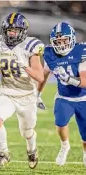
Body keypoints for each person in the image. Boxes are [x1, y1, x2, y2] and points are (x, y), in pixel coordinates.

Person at [0, 12, 44, 169]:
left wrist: (25, 66)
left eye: (14, 30)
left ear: (22, 31)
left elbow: (40, 77)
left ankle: (32, 150)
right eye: (9, 30)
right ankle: (3, 153)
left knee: (27, 131)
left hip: (27, 95)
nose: (11, 33)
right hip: (7, 92)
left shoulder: (31, 46)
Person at [40, 22, 86, 166]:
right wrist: (37, 94)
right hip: (64, 97)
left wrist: (69, 79)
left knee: (85, 134)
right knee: (60, 123)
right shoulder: (50, 53)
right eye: (57, 41)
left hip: (83, 97)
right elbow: (44, 75)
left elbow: (85, 81)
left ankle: (85, 152)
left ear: (72, 39)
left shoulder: (81, 51)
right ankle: (65, 146)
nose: (61, 44)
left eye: (64, 40)